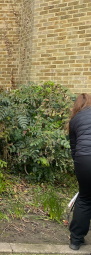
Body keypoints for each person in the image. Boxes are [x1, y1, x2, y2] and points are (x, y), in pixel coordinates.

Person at [68, 93, 91, 250]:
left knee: (84, 198)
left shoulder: (74, 120)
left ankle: (76, 240)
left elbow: (74, 149)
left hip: (84, 161)